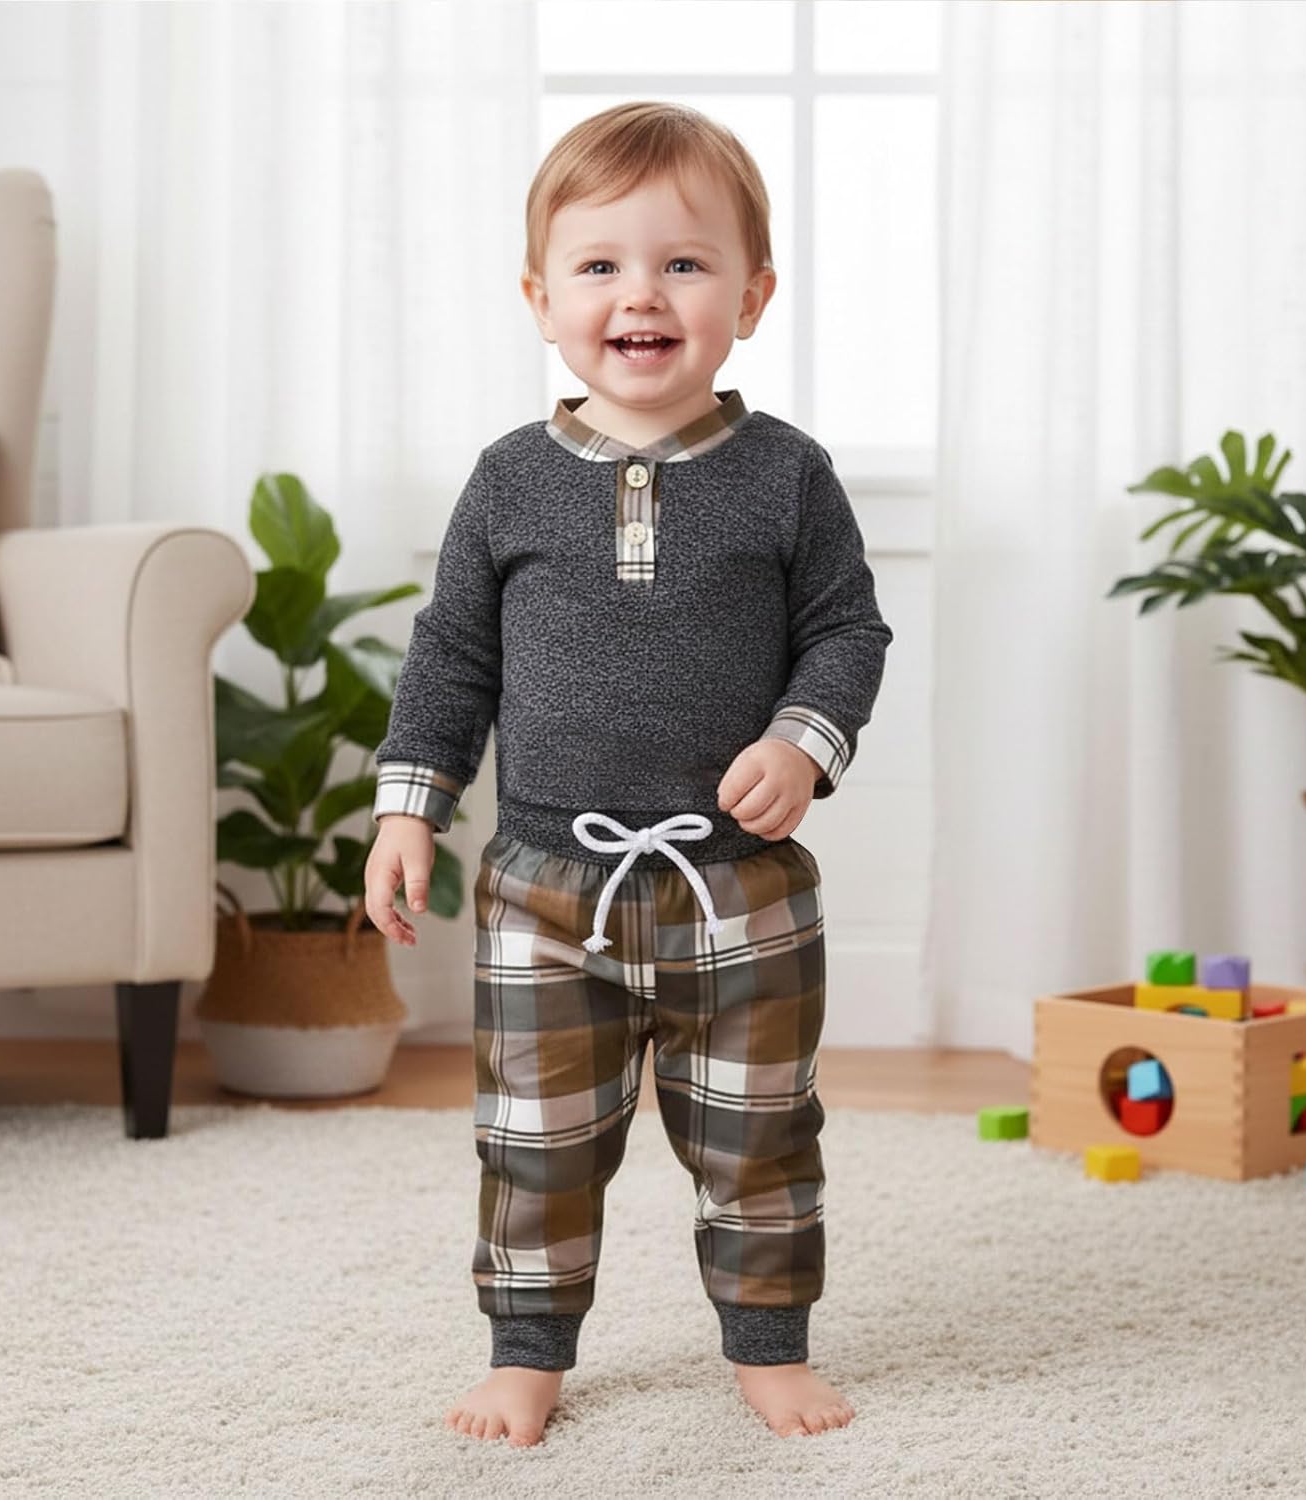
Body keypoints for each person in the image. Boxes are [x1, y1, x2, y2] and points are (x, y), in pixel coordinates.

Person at [365, 101, 892, 1447]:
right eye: (599, 265)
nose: (640, 295)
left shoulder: (787, 476)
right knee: (533, 1145)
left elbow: (847, 631)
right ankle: (527, 1351)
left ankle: (769, 1346)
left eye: (683, 263)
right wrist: (410, 809)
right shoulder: (508, 481)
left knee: (760, 1139)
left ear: (752, 297)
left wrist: (802, 741)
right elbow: (451, 657)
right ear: (541, 298)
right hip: (547, 892)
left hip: (741, 889)